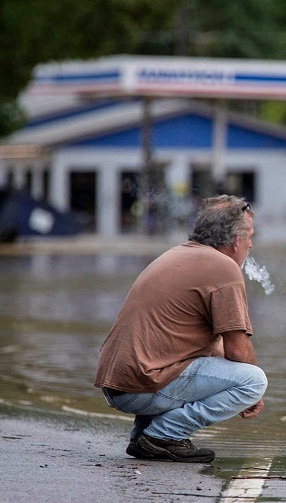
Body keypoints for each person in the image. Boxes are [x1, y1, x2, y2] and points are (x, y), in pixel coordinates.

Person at [94, 195, 267, 463]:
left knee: (202, 358)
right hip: (140, 386)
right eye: (249, 237)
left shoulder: (179, 254)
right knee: (253, 380)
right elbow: (238, 349)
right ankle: (164, 436)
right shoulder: (223, 268)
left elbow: (216, 347)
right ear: (235, 241)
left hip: (119, 384)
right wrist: (254, 395)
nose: (251, 244)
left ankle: (143, 436)